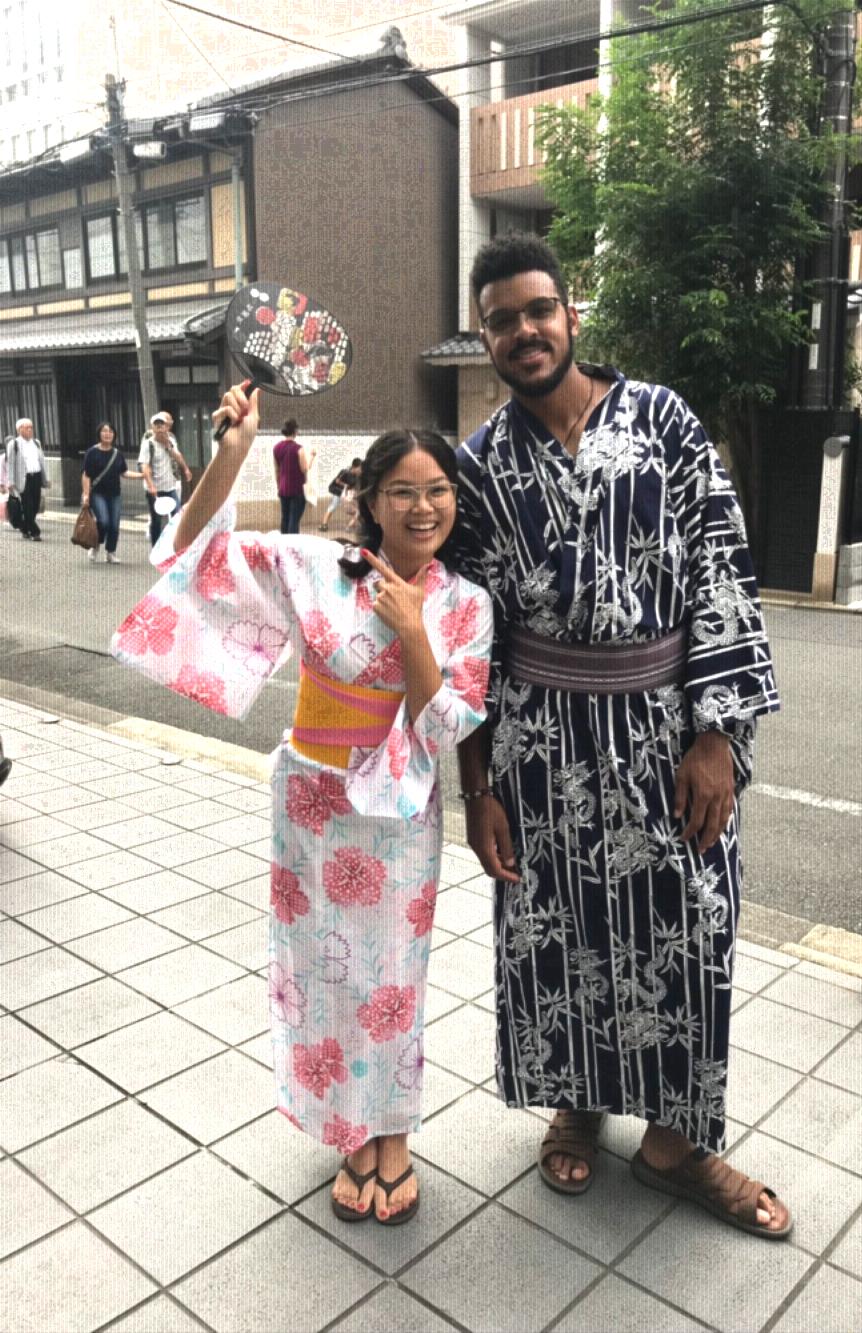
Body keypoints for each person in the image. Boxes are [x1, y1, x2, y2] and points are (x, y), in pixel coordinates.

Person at [453, 233, 791, 1238]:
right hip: (538, 742)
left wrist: (717, 734)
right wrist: (478, 790)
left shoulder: (666, 423)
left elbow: (724, 570)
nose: (523, 331)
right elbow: (469, 641)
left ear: (570, 314)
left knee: (686, 925)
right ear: (484, 338)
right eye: (501, 319)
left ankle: (677, 1141)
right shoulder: (478, 468)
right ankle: (577, 1099)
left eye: (536, 310)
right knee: (555, 930)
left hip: (662, 731)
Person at [111, 384, 492, 1227]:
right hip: (311, 800)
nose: (423, 507)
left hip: (398, 817)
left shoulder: (467, 603)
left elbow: (449, 725)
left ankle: (395, 1132)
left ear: (455, 502)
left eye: (438, 491)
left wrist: (416, 631)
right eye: (404, 491)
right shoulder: (319, 566)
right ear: (370, 499)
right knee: (324, 975)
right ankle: (348, 1132)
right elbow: (189, 553)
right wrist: (233, 452)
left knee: (393, 976)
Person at [80, 422, 143, 563]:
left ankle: (111, 552)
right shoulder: (92, 452)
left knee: (114, 524)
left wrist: (142, 476)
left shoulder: (117, 453)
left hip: (115, 494)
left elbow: (124, 472)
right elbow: (86, 475)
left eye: (110, 432)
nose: (107, 434)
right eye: (104, 431)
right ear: (99, 434)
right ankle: (95, 545)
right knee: (103, 521)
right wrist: (86, 494)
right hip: (97, 493)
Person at [139, 412, 192, 545]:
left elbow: (177, 456)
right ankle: (156, 546)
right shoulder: (148, 444)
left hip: (170, 486)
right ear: (152, 427)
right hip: (155, 488)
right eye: (156, 425)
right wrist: (151, 486)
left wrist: (185, 469)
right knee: (156, 520)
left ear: (167, 427)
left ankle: (175, 545)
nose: (159, 428)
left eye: (161, 424)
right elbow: (144, 466)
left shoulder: (171, 440)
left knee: (177, 516)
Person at [1, 418, 50, 540]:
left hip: (36, 476)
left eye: (31, 427)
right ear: (19, 429)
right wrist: (11, 482)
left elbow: (42, 461)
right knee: (27, 505)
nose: (30, 430)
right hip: (23, 479)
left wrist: (46, 478)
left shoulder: (36, 443)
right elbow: (11, 464)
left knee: (35, 505)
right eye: (27, 427)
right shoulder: (14, 444)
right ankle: (35, 532)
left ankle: (24, 528)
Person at [272, 417, 316, 534]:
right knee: (294, 520)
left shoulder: (276, 448)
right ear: (295, 431)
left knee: (285, 518)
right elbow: (304, 469)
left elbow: (277, 470)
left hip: (283, 489)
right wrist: (312, 456)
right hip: (297, 490)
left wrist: (279, 486)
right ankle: (293, 546)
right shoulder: (299, 449)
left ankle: (283, 544)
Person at [319, 457, 363, 535]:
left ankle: (354, 526)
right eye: (359, 468)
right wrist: (346, 486)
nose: (360, 470)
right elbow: (337, 481)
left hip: (346, 494)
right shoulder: (345, 472)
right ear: (354, 467)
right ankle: (324, 524)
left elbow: (354, 486)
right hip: (338, 490)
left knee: (357, 509)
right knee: (334, 505)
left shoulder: (356, 476)